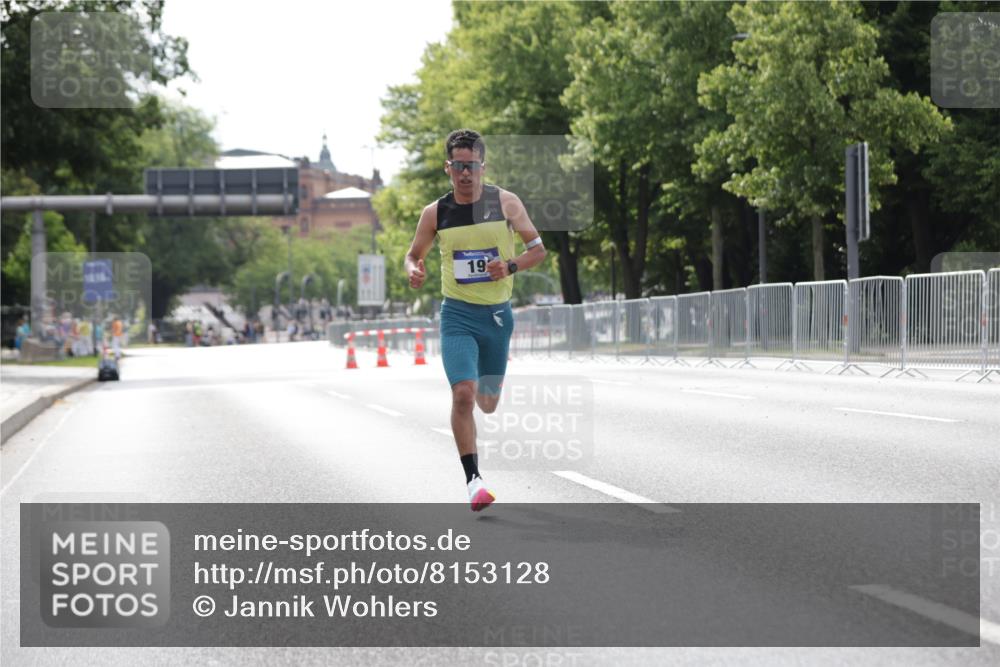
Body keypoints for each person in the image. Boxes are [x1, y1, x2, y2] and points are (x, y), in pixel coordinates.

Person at [404, 129, 547, 512]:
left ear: (482, 166)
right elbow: (413, 254)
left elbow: (538, 250)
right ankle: (474, 481)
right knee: (463, 395)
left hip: (498, 317)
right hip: (457, 315)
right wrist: (412, 269)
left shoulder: (506, 203)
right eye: (458, 166)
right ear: (447, 168)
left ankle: (489, 393)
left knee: (487, 402)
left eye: (472, 166)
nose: (465, 173)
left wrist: (511, 265)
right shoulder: (435, 213)